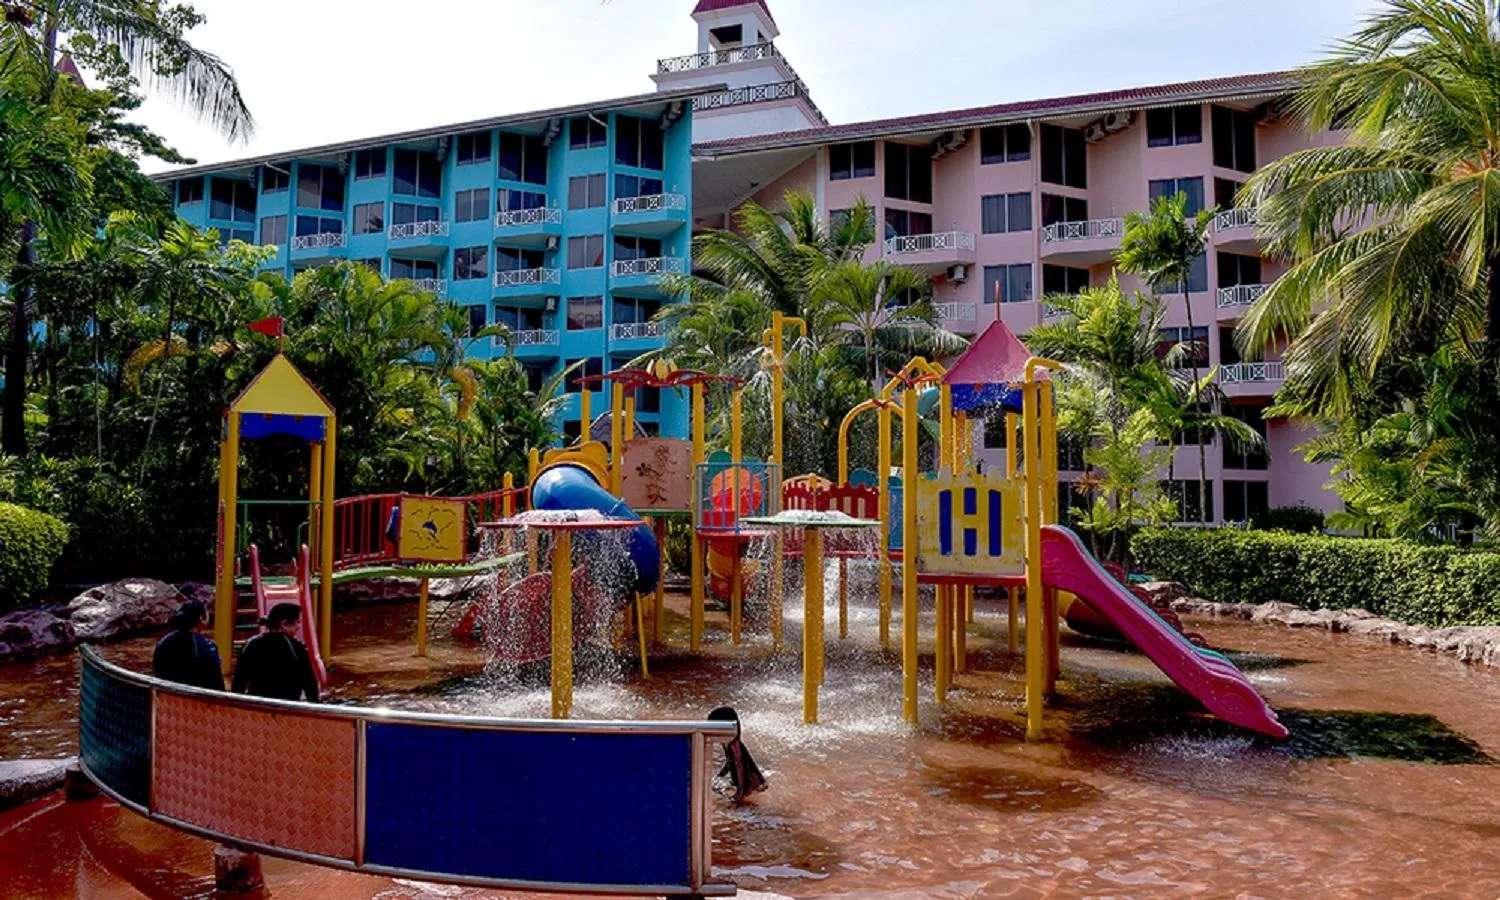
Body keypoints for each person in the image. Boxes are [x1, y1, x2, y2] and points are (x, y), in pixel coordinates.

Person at [231, 602, 320, 702]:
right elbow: (309, 684)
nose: (299, 627)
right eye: (297, 622)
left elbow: (238, 682)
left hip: (257, 706)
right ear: (285, 624)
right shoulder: (296, 648)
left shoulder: (250, 644)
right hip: (287, 707)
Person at [152, 600, 224, 690]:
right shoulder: (207, 646)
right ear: (201, 618)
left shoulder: (163, 642)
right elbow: (216, 683)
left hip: (168, 695)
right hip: (198, 698)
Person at [707, 707, 766, 801]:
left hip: (748, 786)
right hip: (742, 784)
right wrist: (720, 775)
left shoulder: (734, 746)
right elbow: (730, 761)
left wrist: (739, 794)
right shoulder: (728, 742)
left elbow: (740, 768)